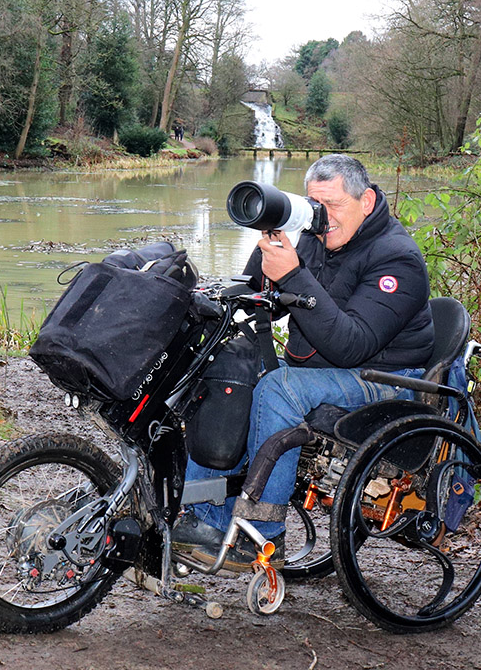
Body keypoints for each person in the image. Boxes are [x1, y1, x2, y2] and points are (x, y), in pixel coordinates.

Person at [174, 154, 434, 571]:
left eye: (332, 205)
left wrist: (294, 275)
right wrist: (215, 288)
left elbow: (352, 346)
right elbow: (261, 300)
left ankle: (263, 534)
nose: (321, 217)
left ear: (366, 201)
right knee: (229, 369)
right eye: (314, 204)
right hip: (321, 370)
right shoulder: (312, 235)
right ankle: (201, 515)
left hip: (387, 378)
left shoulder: (396, 258)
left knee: (279, 389)